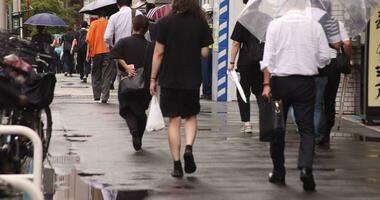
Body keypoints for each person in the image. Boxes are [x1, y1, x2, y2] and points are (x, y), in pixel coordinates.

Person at [261, 5, 331, 191]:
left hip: (280, 84)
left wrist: (266, 85)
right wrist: (312, 61)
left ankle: (278, 172)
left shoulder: (275, 25)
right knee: (306, 128)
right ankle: (306, 168)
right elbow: (325, 57)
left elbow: (267, 60)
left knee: (278, 129)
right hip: (305, 83)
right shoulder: (314, 26)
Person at [150, 0, 213, 178]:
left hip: (169, 79)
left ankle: (177, 165)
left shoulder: (164, 23)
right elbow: (205, 53)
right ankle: (188, 148)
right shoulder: (200, 23)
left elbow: (158, 53)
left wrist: (153, 79)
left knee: (174, 121)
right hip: (192, 78)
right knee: (190, 116)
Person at [110, 15, 153, 151]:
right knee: (141, 111)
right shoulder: (150, 46)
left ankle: (134, 131)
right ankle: (138, 136)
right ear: (146, 29)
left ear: (133, 26)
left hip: (127, 83)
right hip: (144, 84)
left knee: (127, 109)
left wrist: (126, 66)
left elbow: (114, 54)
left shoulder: (123, 42)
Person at [229, 0, 265, 134]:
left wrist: (231, 62)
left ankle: (247, 124)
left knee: (243, 92)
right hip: (262, 62)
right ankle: (265, 122)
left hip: (245, 63)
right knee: (261, 92)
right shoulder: (266, 19)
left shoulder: (243, 20)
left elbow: (236, 44)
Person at [318, 21, 352, 145]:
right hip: (333, 64)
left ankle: (315, 131)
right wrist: (347, 59)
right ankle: (326, 132)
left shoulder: (308, 22)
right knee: (330, 100)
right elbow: (347, 44)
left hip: (314, 64)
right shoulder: (336, 23)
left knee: (316, 101)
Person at [104, 0, 143, 90]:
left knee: (121, 75)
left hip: (121, 52)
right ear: (130, 3)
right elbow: (146, 33)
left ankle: (123, 94)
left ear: (117, 5)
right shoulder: (138, 13)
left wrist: (113, 46)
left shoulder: (113, 17)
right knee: (138, 74)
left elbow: (107, 37)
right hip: (138, 49)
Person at [86, 10, 112, 103]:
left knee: (96, 74)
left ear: (98, 15)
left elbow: (89, 40)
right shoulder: (109, 23)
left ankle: (97, 95)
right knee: (107, 74)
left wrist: (87, 54)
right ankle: (105, 96)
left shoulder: (93, 23)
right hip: (108, 51)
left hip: (96, 52)